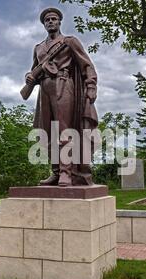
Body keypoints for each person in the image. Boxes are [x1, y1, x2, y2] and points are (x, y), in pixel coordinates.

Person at [25, 7, 99, 187]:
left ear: (59, 22)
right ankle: (56, 172)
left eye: (53, 19)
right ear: (44, 25)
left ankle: (67, 172)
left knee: (65, 130)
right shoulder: (38, 48)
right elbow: (36, 69)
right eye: (47, 20)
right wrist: (29, 77)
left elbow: (86, 65)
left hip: (63, 84)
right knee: (47, 132)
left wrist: (91, 85)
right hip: (44, 89)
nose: (50, 21)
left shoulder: (69, 42)